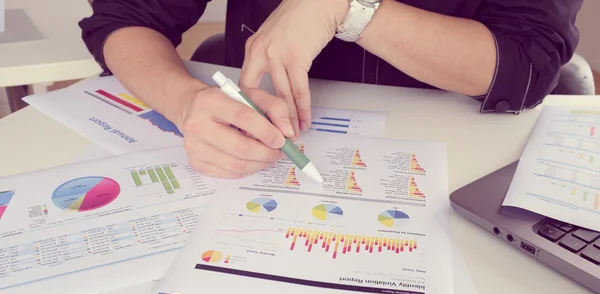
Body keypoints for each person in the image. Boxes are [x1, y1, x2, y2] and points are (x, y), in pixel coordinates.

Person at [79, 0, 582, 178]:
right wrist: (184, 100)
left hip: (458, 152)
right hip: (262, 139)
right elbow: (125, 19)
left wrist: (348, 9)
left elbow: (527, 62)